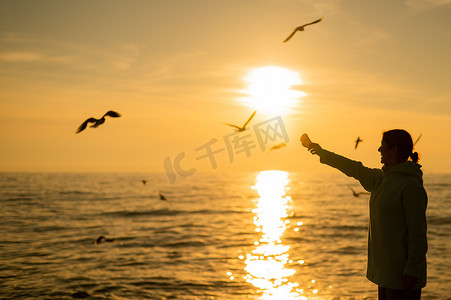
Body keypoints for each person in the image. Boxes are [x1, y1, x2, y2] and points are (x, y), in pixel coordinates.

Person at [300, 129, 428, 300]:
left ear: (394, 151)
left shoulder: (410, 185)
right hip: (385, 274)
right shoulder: (381, 179)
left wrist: (412, 268)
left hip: (404, 275)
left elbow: (418, 232)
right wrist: (322, 153)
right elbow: (353, 167)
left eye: (382, 146)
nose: (378, 150)